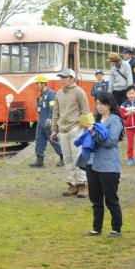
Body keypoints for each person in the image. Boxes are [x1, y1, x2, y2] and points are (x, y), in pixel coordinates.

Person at [84, 93, 124, 238]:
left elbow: (111, 142)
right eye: (97, 103)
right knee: (95, 199)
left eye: (101, 104)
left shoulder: (115, 121)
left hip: (108, 166)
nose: (98, 106)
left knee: (111, 199)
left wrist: (93, 132)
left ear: (109, 105)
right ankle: (96, 228)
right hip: (92, 164)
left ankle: (116, 228)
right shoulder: (95, 119)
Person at [51, 68, 90, 198]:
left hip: (75, 129)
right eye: (61, 77)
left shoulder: (79, 92)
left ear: (72, 78)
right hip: (62, 130)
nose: (62, 80)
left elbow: (85, 110)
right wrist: (54, 129)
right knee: (67, 158)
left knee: (78, 157)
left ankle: (83, 184)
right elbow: (55, 113)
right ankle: (73, 184)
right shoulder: (58, 94)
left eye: (64, 77)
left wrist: (82, 124)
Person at [29, 74, 63, 168]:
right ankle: (40, 161)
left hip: (48, 122)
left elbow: (53, 107)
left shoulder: (51, 94)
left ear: (43, 84)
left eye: (37, 84)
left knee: (54, 140)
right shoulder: (41, 95)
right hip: (41, 122)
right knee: (39, 141)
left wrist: (49, 118)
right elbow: (41, 107)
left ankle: (63, 158)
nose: (36, 86)